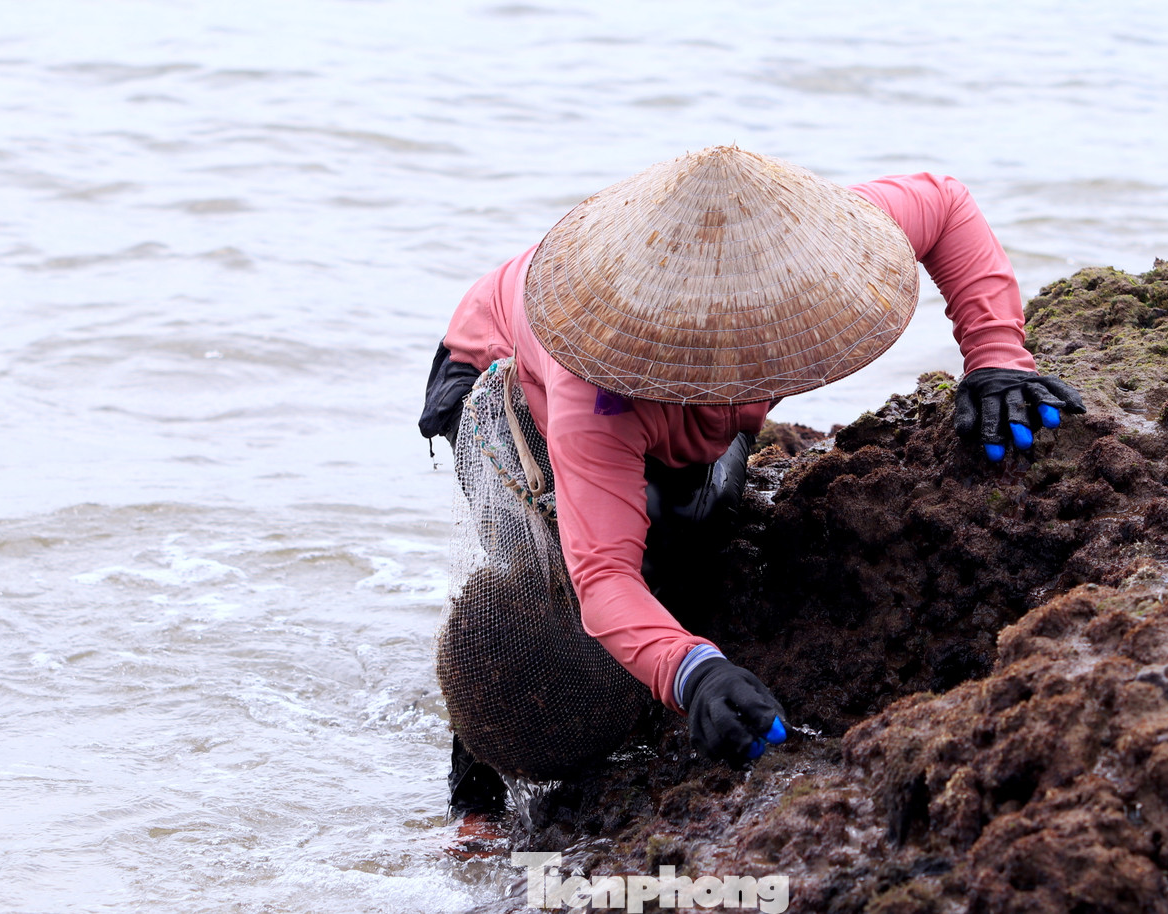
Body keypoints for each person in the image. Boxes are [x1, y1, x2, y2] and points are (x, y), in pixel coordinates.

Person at [421, 145, 1084, 815]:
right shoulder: (596, 394)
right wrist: (694, 672)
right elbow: (603, 580)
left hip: (641, 395)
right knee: (538, 582)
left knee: (698, 530)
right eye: (715, 351)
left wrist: (997, 357)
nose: (740, 363)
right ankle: (474, 802)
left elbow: (942, 201)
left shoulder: (806, 257)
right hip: (495, 372)